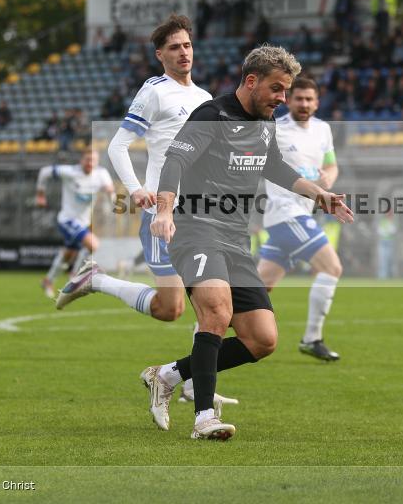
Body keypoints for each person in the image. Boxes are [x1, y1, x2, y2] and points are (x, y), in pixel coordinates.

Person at [143, 45, 354, 440]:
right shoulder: (212, 115)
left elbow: (273, 166)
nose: (282, 99)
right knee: (217, 312)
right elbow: (176, 161)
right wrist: (165, 210)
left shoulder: (265, 123)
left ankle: (168, 375)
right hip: (196, 229)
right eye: (277, 89)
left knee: (262, 339)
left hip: (236, 239)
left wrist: (318, 194)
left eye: (286, 92)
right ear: (252, 81)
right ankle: (204, 417)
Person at [56, 14, 237, 408]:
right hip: (163, 215)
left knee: (212, 304)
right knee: (170, 308)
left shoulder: (205, 98)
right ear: (160, 55)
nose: (183, 52)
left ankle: (191, 381)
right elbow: (117, 146)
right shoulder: (154, 91)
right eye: (174, 47)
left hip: (202, 214)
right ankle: (96, 279)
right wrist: (137, 190)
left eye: (187, 45)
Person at [256, 76, 344, 362]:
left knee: (259, 287)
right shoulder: (276, 129)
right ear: (289, 100)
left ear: (317, 103)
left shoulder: (323, 130)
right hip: (285, 213)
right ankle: (312, 338)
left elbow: (330, 164)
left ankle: (211, 324)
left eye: (309, 99)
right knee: (332, 267)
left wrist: (327, 179)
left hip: (301, 213)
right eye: (299, 98)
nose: (304, 104)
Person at [35, 150, 115, 298]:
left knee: (68, 255)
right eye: (87, 159)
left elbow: (110, 190)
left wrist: (111, 200)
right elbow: (44, 172)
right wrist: (40, 194)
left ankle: (48, 280)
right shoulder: (70, 172)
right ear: (81, 160)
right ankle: (75, 277)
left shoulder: (101, 174)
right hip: (67, 220)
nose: (90, 163)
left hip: (83, 222)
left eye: (93, 160)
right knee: (93, 244)